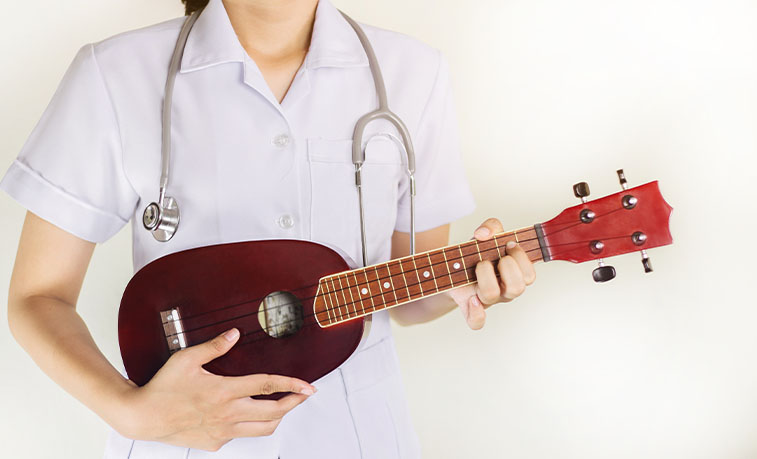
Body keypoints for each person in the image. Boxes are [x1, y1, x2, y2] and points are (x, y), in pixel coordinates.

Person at [1, 0, 536, 457]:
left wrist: (456, 283)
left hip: (355, 434)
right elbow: (37, 296)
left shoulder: (413, 74)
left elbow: (404, 299)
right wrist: (130, 414)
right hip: (182, 440)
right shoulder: (115, 73)